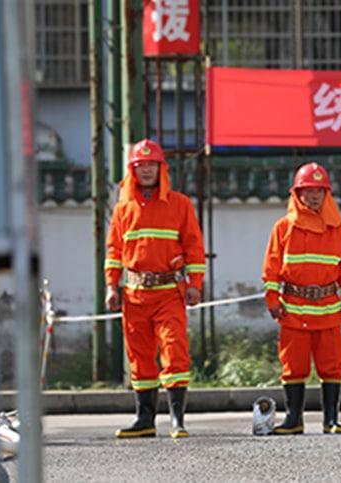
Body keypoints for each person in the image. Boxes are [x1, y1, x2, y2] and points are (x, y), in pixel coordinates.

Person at [104, 139, 205, 439]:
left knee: (174, 351)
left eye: (151, 165)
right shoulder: (123, 209)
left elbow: (194, 248)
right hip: (134, 295)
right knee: (139, 356)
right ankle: (145, 420)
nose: (146, 170)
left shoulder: (180, 204)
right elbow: (113, 250)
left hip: (169, 292)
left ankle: (177, 420)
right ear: (132, 171)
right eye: (140, 166)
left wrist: (195, 285)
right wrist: (111, 285)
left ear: (162, 169)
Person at [262, 162, 341, 435]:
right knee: (293, 366)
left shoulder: (338, 230)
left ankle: (331, 420)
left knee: (331, 365)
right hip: (293, 310)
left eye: (320, 190)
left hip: (328, 310)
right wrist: (272, 299)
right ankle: (294, 420)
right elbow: (271, 269)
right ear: (297, 194)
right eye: (308, 190)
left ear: (326, 194)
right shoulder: (283, 228)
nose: (314, 196)